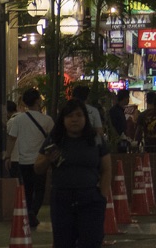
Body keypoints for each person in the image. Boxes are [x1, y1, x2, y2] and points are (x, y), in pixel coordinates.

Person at [34, 99, 111, 248]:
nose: (74, 119)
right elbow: (37, 168)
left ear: (85, 118)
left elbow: (107, 169)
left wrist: (102, 196)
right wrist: (48, 160)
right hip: (62, 201)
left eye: (78, 115)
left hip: (90, 200)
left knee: (91, 241)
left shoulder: (95, 139)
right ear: (63, 119)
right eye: (69, 116)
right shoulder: (55, 139)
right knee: (63, 242)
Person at [5, 87, 54, 229]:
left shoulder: (18, 120)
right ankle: (33, 212)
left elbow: (11, 139)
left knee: (27, 188)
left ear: (24, 103)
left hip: (23, 161)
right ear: (38, 100)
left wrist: (7, 156)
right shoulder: (47, 120)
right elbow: (54, 139)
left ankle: (29, 213)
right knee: (39, 189)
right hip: (40, 161)